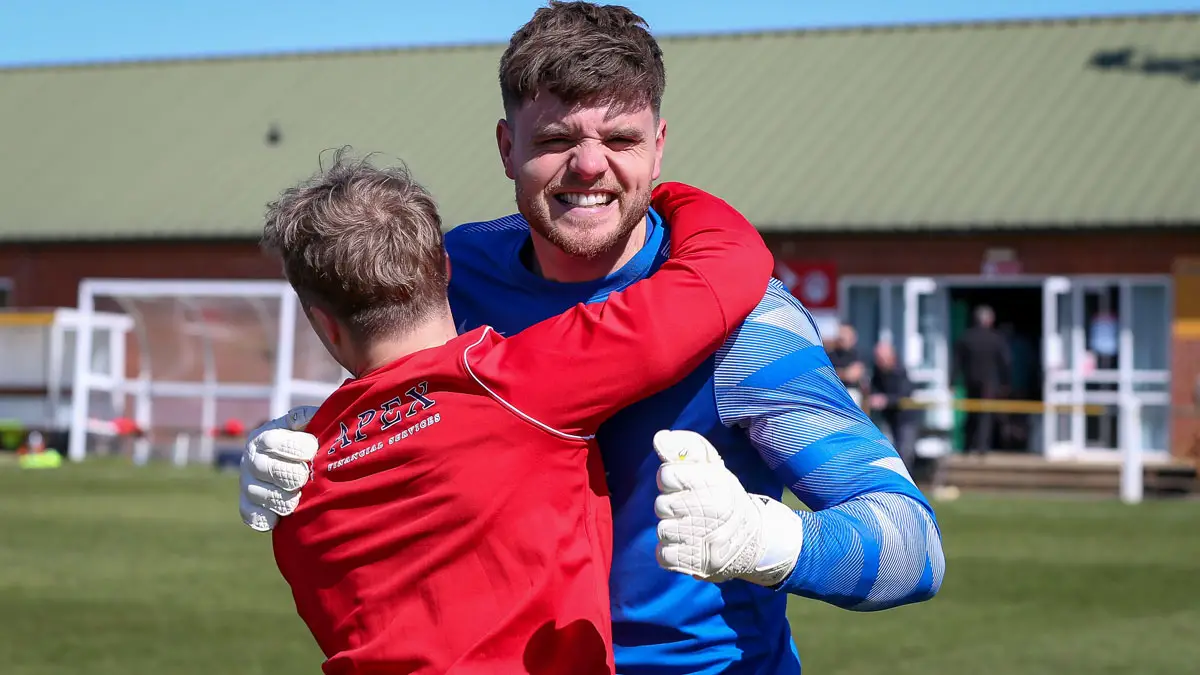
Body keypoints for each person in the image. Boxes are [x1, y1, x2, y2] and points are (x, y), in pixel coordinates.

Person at [240, 3, 945, 673]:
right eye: (555, 140)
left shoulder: (748, 321)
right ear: (506, 146)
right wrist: (309, 446)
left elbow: (913, 545)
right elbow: (403, 406)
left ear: (659, 148)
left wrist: (769, 540)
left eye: (620, 139)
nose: (588, 166)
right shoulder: (456, 275)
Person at [256, 153, 774, 674]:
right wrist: (655, 195)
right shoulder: (522, 382)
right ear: (447, 270)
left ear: (322, 322)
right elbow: (729, 263)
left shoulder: (293, 487)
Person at [954, 304, 1012, 456]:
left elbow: (957, 362)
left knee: (971, 413)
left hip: (970, 381)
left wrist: (952, 381)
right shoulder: (996, 339)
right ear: (990, 321)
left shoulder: (965, 337)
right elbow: (1005, 362)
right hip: (989, 383)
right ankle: (982, 447)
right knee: (985, 415)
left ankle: (966, 446)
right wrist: (1006, 383)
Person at [868, 341, 919, 472]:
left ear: (892, 357)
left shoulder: (900, 372)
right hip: (888, 417)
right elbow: (873, 390)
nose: (880, 362)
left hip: (905, 418)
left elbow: (905, 394)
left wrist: (886, 400)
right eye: (878, 359)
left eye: (882, 358)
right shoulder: (877, 372)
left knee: (905, 453)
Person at [827, 324, 868, 407]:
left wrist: (840, 373)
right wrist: (845, 373)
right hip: (834, 390)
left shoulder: (858, 355)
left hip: (851, 392)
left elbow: (854, 375)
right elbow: (828, 374)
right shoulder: (830, 355)